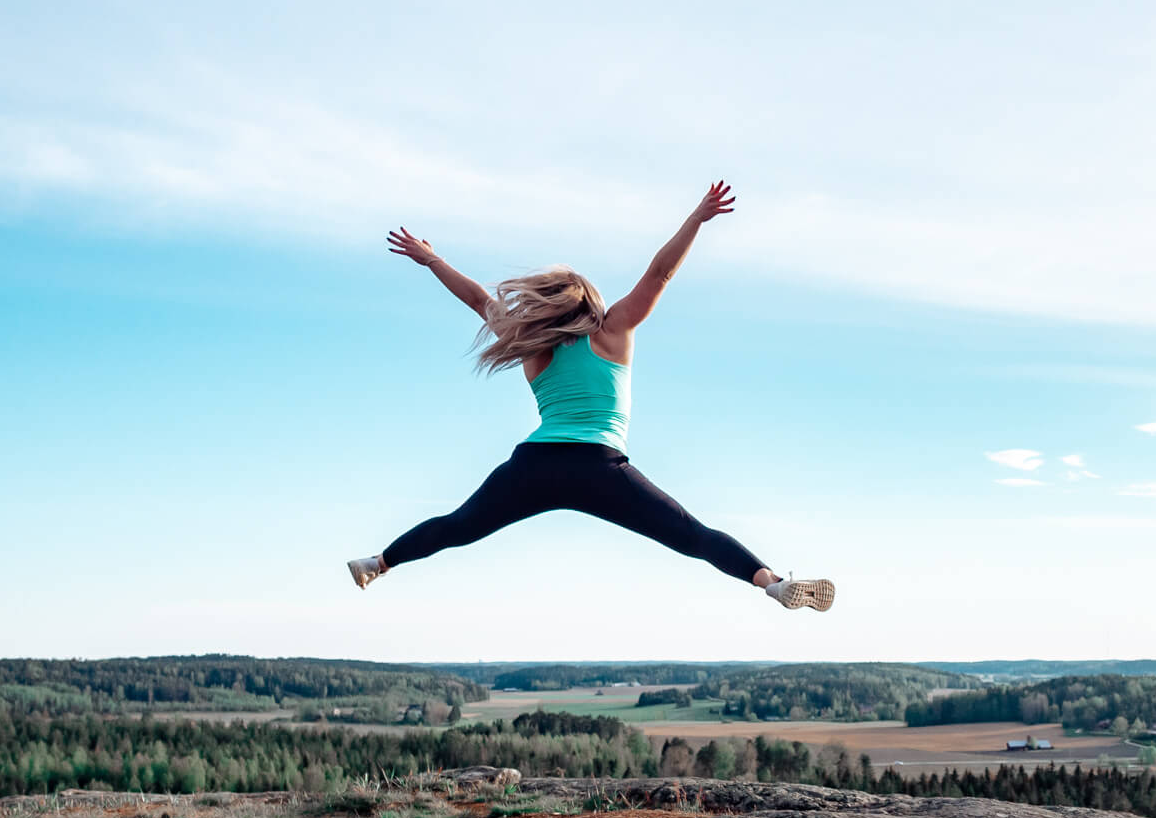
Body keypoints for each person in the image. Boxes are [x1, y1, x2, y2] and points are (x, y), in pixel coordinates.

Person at [346, 182, 834, 612]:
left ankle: (379, 561)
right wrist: (696, 219)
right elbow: (659, 274)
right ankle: (771, 583)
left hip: (534, 464)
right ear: (592, 302)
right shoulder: (613, 331)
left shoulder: (530, 342)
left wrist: (431, 259)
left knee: (458, 526)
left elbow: (477, 298)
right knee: (692, 535)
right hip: (600, 467)